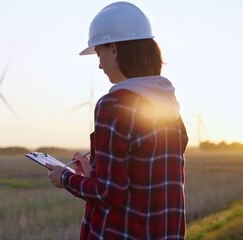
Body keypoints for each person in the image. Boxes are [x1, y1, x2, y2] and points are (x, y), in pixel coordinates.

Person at [46, 2, 188, 239]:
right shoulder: (170, 106)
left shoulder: (114, 105)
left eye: (99, 53)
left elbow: (110, 193)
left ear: (114, 49)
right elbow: (145, 173)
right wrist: (95, 172)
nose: (100, 64)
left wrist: (65, 177)